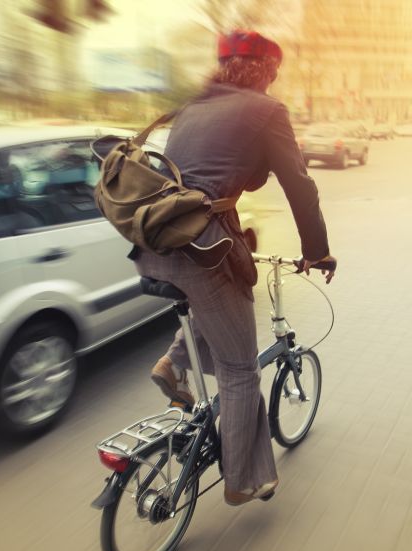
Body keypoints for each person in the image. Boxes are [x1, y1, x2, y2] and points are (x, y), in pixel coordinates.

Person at [131, 30, 336, 506]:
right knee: (240, 369)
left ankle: (173, 362)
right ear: (265, 70)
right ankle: (243, 480)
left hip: (157, 243)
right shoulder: (267, 111)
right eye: (275, 71)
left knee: (221, 300)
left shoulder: (193, 107)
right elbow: (299, 186)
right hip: (205, 246)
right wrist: (317, 250)